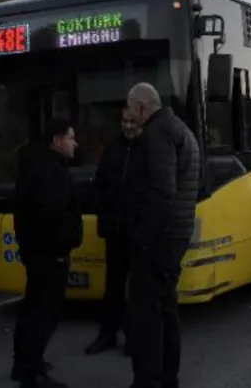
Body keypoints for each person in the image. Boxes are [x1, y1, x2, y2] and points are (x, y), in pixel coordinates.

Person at [124, 83, 201, 388]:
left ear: (142, 106)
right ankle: (168, 378)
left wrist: (143, 234)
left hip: (160, 237)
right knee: (166, 308)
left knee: (147, 314)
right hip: (176, 232)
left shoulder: (157, 133)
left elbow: (163, 190)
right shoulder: (180, 129)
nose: (129, 114)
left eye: (130, 108)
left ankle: (149, 380)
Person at [11, 118, 83, 388]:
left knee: (32, 308)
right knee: (45, 313)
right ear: (56, 141)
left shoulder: (33, 165)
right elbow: (52, 217)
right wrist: (64, 245)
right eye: (71, 137)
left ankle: (24, 363)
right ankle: (33, 372)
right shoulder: (52, 172)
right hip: (49, 254)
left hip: (34, 251)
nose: (75, 144)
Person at [84, 107, 141, 356]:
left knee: (136, 288)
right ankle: (107, 334)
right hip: (114, 229)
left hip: (138, 230)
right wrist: (102, 214)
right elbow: (100, 183)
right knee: (113, 285)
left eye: (132, 122)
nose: (128, 126)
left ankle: (133, 337)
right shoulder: (113, 148)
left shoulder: (147, 149)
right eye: (124, 121)